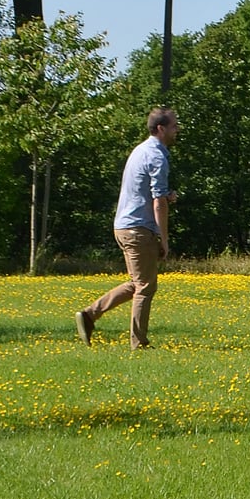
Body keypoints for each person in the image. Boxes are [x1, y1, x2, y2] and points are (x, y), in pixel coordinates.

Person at [75, 107, 178, 349]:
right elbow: (158, 202)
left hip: (124, 226)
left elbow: (152, 192)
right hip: (138, 229)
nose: (177, 130)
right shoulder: (157, 156)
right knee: (145, 286)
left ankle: (89, 315)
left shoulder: (140, 150)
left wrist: (166, 196)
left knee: (136, 282)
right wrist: (163, 238)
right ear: (160, 128)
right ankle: (138, 343)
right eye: (174, 125)